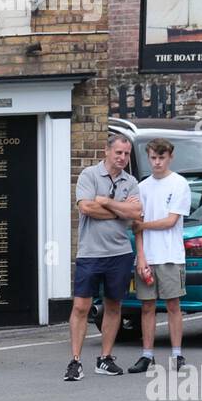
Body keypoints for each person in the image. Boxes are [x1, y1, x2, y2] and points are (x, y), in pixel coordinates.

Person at [65, 133, 143, 381]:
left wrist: (105, 202)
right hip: (90, 253)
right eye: (118, 152)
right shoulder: (89, 175)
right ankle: (75, 361)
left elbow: (136, 213)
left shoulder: (131, 182)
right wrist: (120, 209)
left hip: (120, 254)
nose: (122, 157)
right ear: (107, 152)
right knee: (81, 306)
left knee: (113, 305)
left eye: (127, 153)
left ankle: (105, 359)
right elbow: (86, 207)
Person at [127, 139, 191, 374]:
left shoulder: (180, 184)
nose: (157, 162)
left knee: (173, 305)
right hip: (149, 256)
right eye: (153, 158)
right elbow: (136, 226)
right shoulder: (142, 187)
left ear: (170, 157)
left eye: (161, 158)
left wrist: (143, 225)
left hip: (171, 255)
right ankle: (147, 355)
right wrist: (141, 257)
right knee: (147, 307)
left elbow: (170, 221)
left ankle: (177, 354)